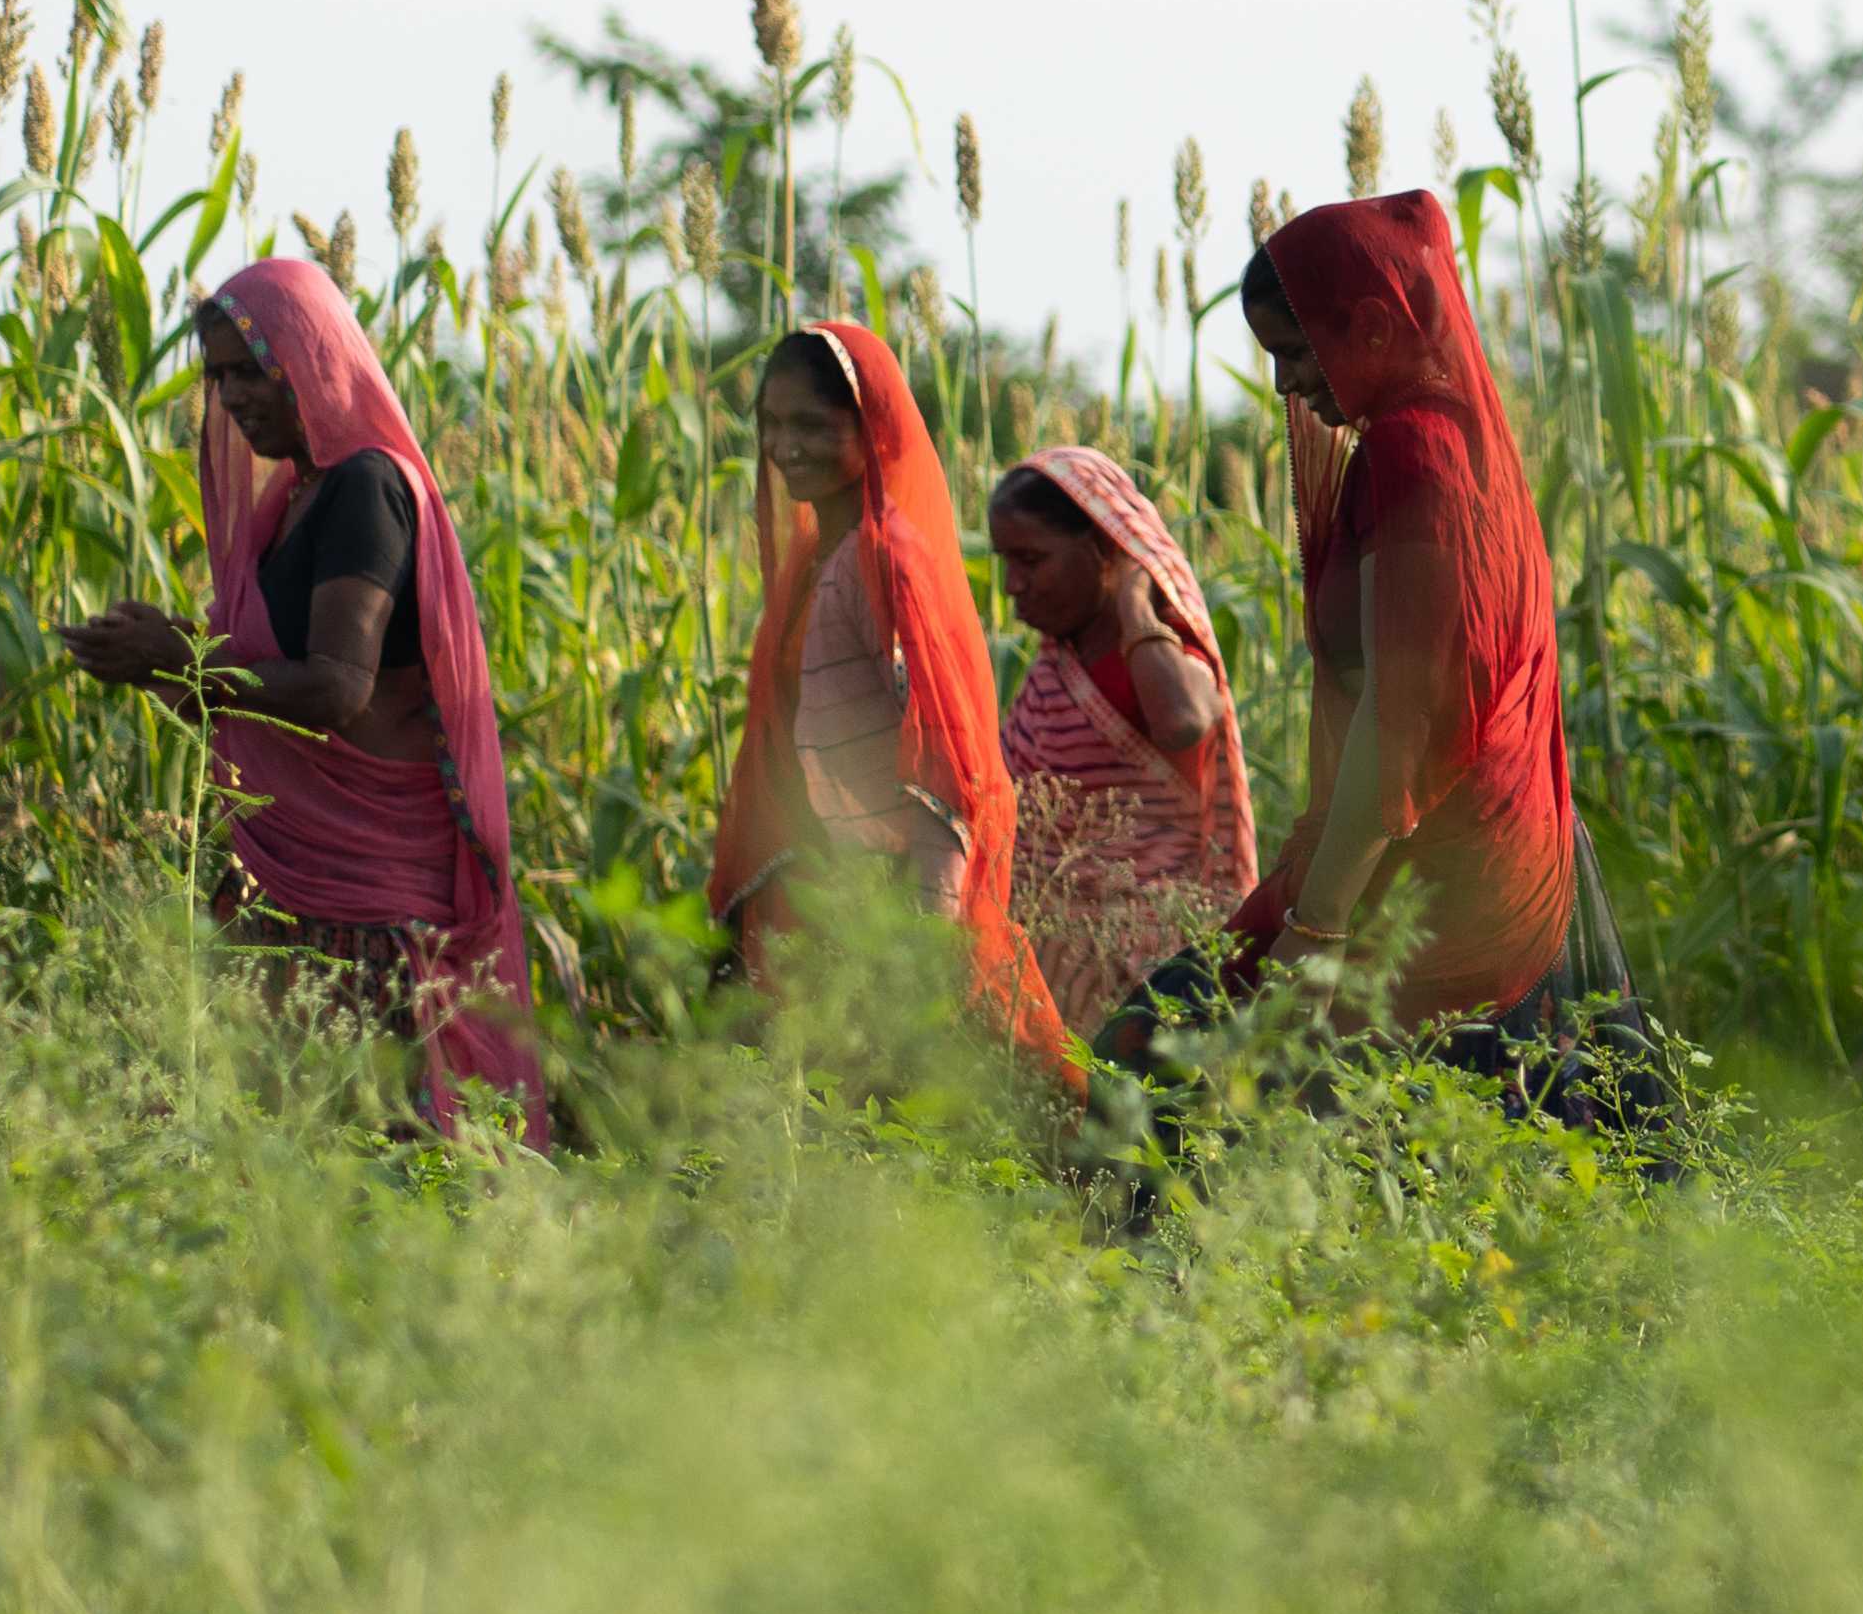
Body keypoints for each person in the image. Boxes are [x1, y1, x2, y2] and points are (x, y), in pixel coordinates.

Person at [55, 259, 550, 1144]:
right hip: (300, 873)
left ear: (311, 357)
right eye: (217, 375)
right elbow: (254, 684)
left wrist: (183, 660)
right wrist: (155, 659)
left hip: (371, 886)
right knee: (302, 1134)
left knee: (380, 1133)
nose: (231, 395)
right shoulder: (292, 503)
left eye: (251, 368)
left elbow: (336, 686)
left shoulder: (366, 488)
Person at [1202, 193, 1651, 1095]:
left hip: (1440, 877)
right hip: (1447, 846)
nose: (1289, 386)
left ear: (1369, 328)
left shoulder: (1417, 454)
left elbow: (1403, 713)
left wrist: (1318, 931)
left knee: (1204, 1099)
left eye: (1296, 353)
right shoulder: (1439, 443)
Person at [707, 322, 1076, 1088]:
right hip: (826, 897)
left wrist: (925, 944)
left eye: (811, 424)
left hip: (890, 902)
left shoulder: (886, 559)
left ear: (869, 428)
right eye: (771, 424)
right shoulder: (820, 563)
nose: (785, 445)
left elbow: (940, 758)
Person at [989, 447, 1258, 1028]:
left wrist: (1136, 604)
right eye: (1005, 562)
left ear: (1106, 548)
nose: (1013, 585)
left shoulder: (1158, 654)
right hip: (1052, 965)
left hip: (1153, 975)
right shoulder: (1051, 673)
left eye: (1031, 560)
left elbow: (1184, 720)